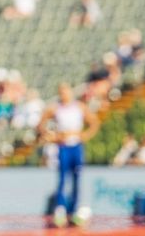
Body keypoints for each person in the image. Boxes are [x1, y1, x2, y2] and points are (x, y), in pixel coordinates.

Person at [41, 82, 98, 226]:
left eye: (66, 91)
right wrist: (52, 136)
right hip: (63, 146)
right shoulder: (55, 108)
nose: (64, 95)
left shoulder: (79, 107)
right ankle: (60, 211)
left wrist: (84, 135)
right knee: (62, 179)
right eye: (61, 92)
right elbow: (41, 123)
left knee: (76, 179)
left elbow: (94, 122)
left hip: (76, 146)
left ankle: (74, 210)